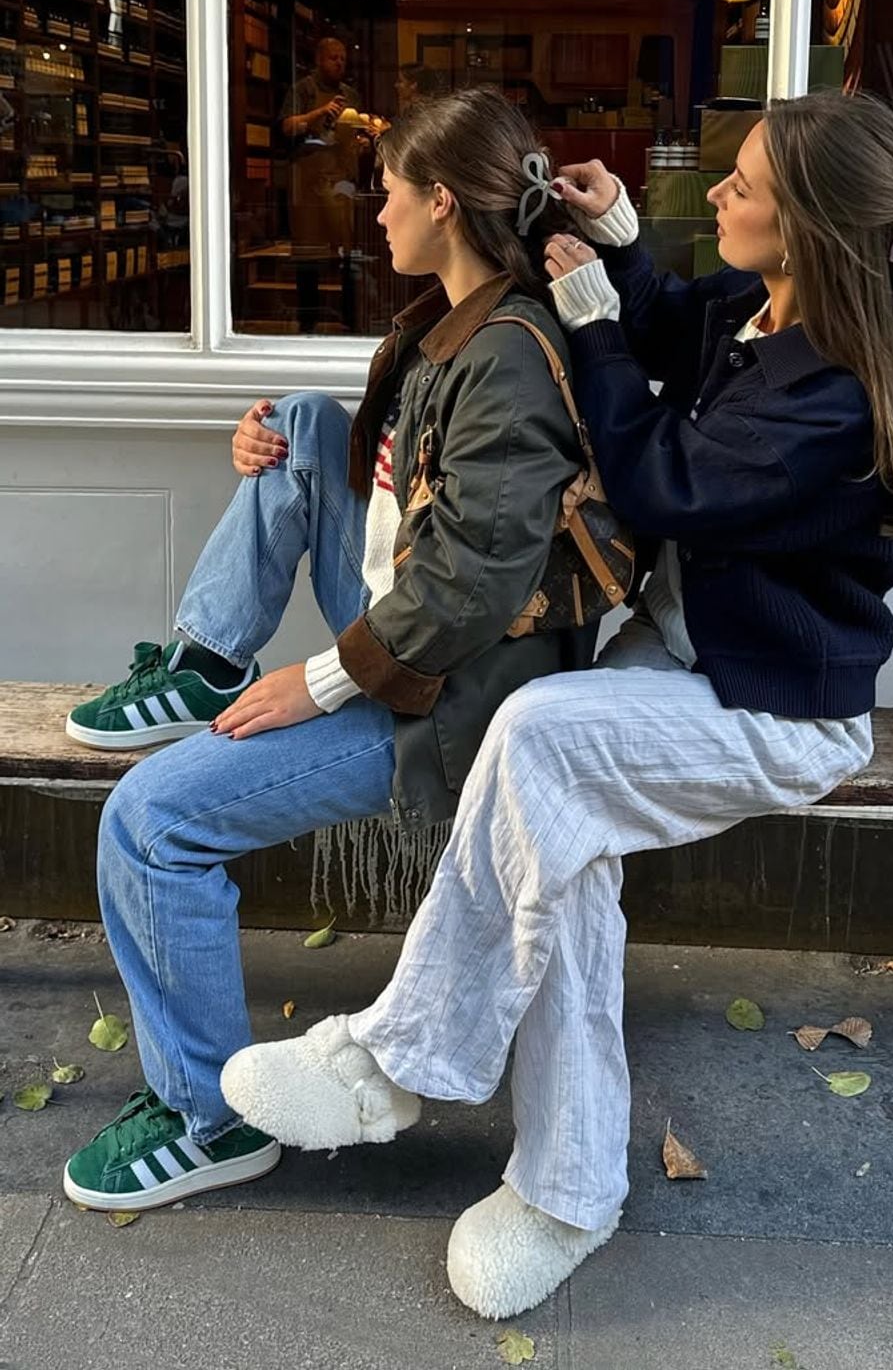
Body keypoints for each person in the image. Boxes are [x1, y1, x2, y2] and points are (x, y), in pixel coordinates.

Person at [221, 89, 893, 1319]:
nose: (716, 192)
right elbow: (681, 315)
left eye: (741, 184)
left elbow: (665, 483)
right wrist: (619, 234)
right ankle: (565, 1193)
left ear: (813, 226)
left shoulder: (830, 393)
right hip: (678, 657)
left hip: (770, 707)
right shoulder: (770, 303)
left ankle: (401, 1059)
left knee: (536, 736)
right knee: (556, 862)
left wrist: (593, 322)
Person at [60, 88, 597, 1213]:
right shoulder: (449, 324)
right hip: (407, 653)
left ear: (442, 202)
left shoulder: (503, 355)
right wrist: (281, 444)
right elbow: (397, 482)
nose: (375, 213)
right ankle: (204, 659)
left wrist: (313, 682)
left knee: (148, 822)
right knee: (304, 422)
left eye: (390, 192)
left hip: (445, 706)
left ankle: (208, 1120)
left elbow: (473, 585)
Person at [281, 36, 366, 333]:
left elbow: (355, 136)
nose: (340, 63)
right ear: (319, 59)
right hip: (308, 186)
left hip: (342, 183)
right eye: (334, 58)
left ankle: (350, 320)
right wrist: (320, 112)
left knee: (348, 255)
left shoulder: (351, 96)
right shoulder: (303, 89)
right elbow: (287, 126)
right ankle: (308, 323)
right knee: (309, 257)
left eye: (343, 58)